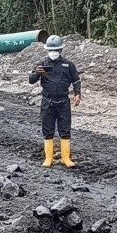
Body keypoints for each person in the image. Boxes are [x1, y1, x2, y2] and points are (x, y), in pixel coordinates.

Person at [29, 35, 82, 167]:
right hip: (48, 102)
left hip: (63, 102)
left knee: (65, 130)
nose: (53, 53)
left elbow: (76, 80)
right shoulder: (42, 64)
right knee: (48, 130)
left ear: (61, 50)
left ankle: (66, 158)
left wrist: (77, 94)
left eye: (56, 50)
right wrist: (37, 74)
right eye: (51, 50)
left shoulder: (68, 65)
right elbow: (31, 80)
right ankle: (48, 158)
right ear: (47, 50)